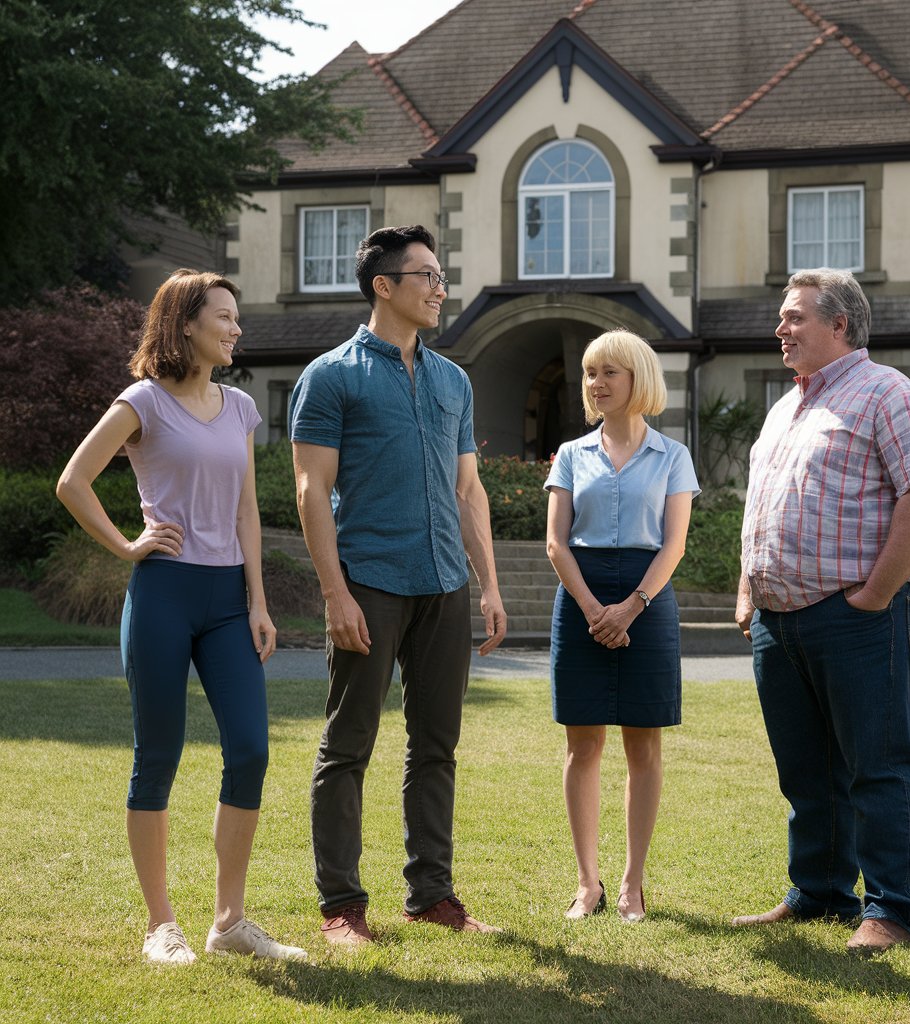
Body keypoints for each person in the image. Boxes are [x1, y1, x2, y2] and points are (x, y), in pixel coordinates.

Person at [56, 270, 306, 965]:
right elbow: (73, 480)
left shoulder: (238, 408)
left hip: (228, 601)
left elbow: (248, 511)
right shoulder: (144, 402)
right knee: (157, 757)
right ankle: (159, 925)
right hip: (163, 592)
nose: (235, 329)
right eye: (223, 317)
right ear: (184, 324)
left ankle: (229, 923)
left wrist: (258, 601)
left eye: (237, 319)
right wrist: (127, 545)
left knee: (250, 751)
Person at [289, 225, 507, 948]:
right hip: (369, 582)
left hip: (444, 583)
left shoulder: (453, 379)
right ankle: (342, 908)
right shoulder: (331, 375)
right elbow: (311, 490)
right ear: (384, 285)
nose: (440, 289)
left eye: (440, 276)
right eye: (426, 276)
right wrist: (334, 592)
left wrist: (488, 583)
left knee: (436, 747)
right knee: (348, 746)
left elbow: (468, 489)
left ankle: (432, 895)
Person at [733, 268, 910, 954]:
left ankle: (890, 909)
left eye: (796, 317)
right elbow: (762, 504)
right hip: (780, 619)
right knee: (805, 768)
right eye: (782, 316)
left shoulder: (892, 395)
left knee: (877, 763)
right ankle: (822, 892)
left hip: (860, 615)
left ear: (841, 325)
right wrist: (748, 589)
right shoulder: (783, 408)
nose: (781, 328)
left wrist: (877, 594)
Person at [545, 329, 699, 923]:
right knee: (582, 745)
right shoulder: (570, 454)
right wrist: (591, 610)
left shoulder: (673, 456)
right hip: (579, 594)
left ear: (639, 379)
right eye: (590, 372)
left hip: (649, 598)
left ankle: (633, 884)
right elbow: (557, 544)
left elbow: (675, 543)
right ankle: (589, 884)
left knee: (645, 745)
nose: (597, 382)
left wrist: (631, 606)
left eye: (610, 371)